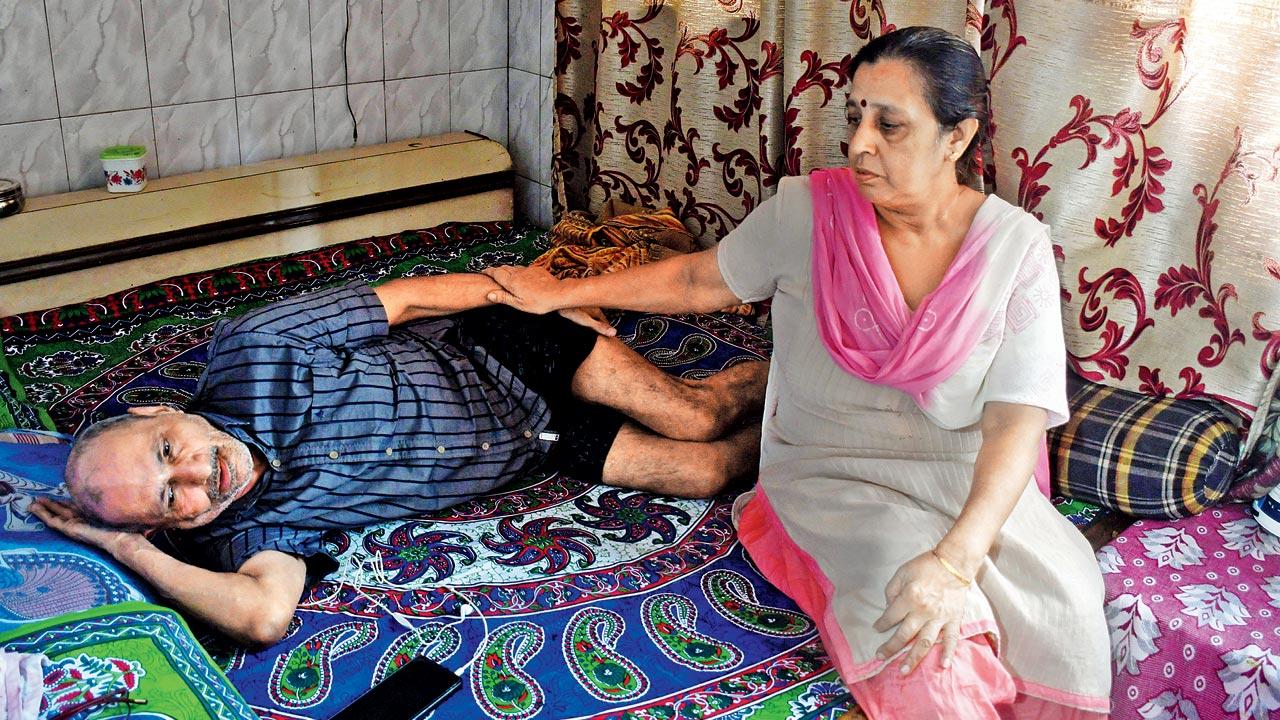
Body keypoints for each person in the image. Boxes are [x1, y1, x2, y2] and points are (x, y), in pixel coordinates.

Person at [480, 26, 1110, 720]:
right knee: (921, 632)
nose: (860, 141)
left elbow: (1018, 420)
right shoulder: (810, 213)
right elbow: (698, 280)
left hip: (967, 473)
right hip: (836, 473)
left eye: (889, 124)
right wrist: (557, 290)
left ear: (955, 139)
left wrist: (959, 557)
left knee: (1069, 607)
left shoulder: (1013, 246)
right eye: (855, 115)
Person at [31, 272, 766, 646]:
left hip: (505, 353)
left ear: (158, 411)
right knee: (708, 472)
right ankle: (827, 423)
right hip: (535, 443)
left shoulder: (257, 348)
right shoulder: (246, 531)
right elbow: (261, 616)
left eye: (167, 452)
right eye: (168, 500)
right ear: (168, 527)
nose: (197, 476)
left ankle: (811, 367)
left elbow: (409, 301)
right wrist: (124, 547)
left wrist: (550, 299)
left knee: (693, 415)